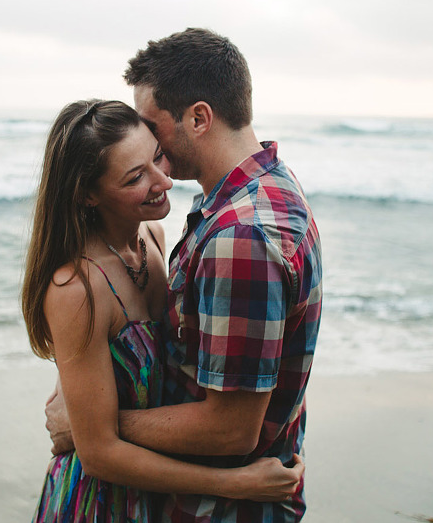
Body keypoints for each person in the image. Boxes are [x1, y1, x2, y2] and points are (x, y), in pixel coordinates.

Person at [46, 29, 323, 522]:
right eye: (135, 170)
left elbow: (231, 428)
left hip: (221, 509)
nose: (158, 164)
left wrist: (90, 427)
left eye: (153, 130)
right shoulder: (268, 187)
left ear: (198, 117)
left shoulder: (240, 238)